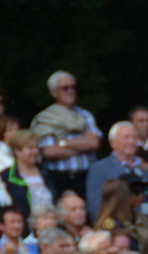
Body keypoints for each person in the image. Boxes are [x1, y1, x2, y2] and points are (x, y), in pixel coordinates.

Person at [31, 71, 102, 199]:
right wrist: (83, 146)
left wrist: (64, 143)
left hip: (88, 177)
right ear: (54, 93)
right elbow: (48, 152)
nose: (70, 91)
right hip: (60, 179)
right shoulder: (45, 118)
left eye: (73, 87)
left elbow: (94, 143)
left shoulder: (85, 116)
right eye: (65, 88)